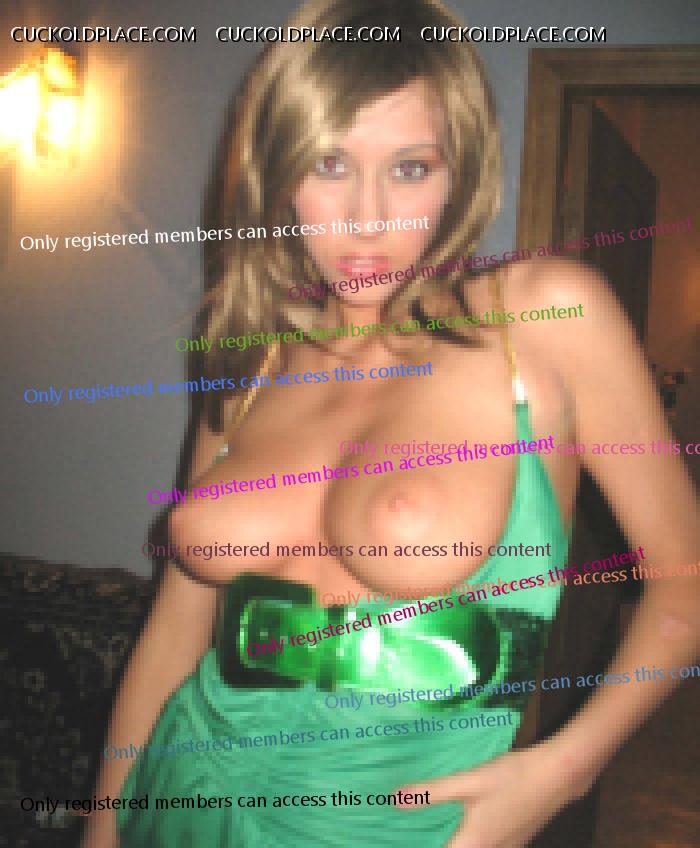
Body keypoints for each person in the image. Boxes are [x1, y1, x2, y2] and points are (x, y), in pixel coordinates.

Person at [83, 0, 699, 845]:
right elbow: (176, 627)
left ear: (460, 174)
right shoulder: (252, 358)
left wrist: (564, 770)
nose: (366, 219)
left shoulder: (541, 319)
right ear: (278, 170)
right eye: (329, 163)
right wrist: (103, 829)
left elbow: (686, 578)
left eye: (410, 168)